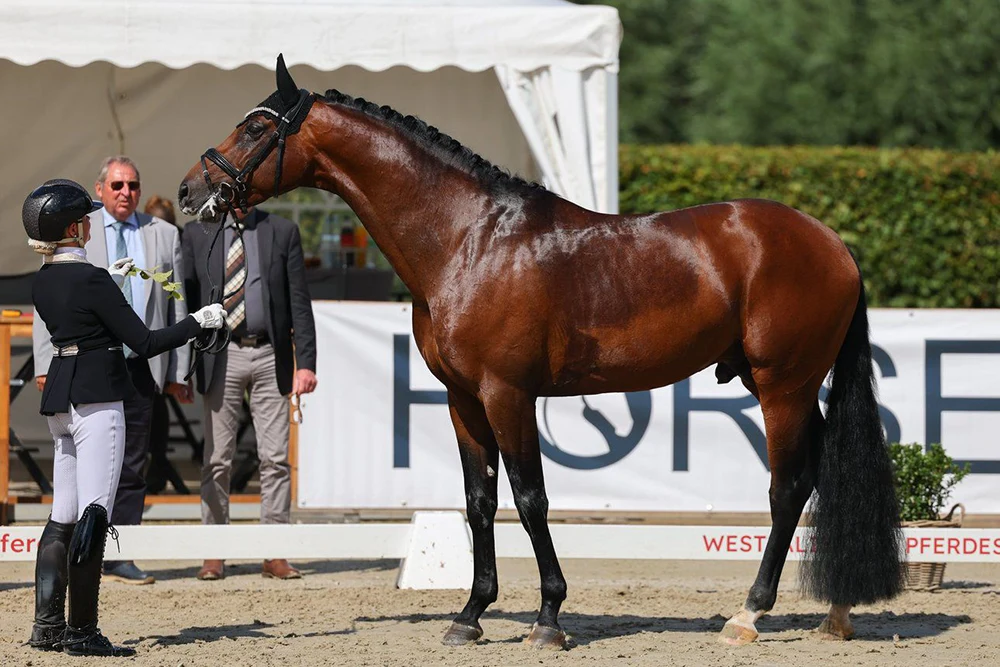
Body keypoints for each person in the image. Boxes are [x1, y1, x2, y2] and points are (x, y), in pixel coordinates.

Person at [23, 179, 226, 656]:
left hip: (62, 397)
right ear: (73, 228)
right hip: (98, 399)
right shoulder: (90, 279)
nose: (92, 221)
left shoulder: (44, 278)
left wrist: (107, 281)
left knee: (62, 516)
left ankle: (47, 627)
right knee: (96, 513)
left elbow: (83, 316)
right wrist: (201, 320)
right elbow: (147, 343)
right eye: (85, 218)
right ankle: (83, 632)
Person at [33, 158, 192, 585]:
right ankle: (82, 625)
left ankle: (52, 618)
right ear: (100, 190)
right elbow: (62, 310)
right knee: (93, 505)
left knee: (88, 493)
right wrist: (201, 323)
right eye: (117, 184)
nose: (126, 191)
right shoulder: (84, 258)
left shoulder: (160, 234)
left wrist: (179, 369)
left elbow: (171, 301)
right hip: (91, 369)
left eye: (133, 184)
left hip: (124, 371)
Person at [182, 205, 317, 580]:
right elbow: (185, 301)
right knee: (217, 459)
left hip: (270, 353)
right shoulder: (198, 233)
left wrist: (306, 362)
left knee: (275, 458)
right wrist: (182, 365)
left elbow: (299, 302)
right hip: (220, 354)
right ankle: (215, 551)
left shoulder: (283, 230)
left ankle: (273, 551)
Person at [141, 195, 182, 495]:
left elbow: (176, 304)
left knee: (157, 405)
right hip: (143, 340)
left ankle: (158, 464)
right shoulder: (139, 244)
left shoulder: (174, 245)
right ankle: (156, 464)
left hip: (159, 341)